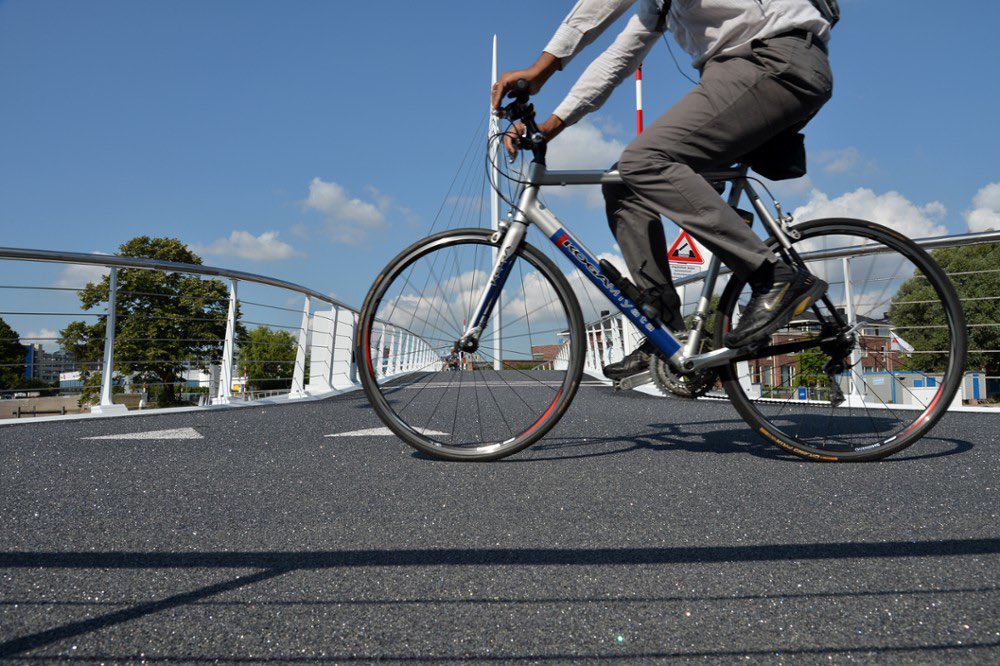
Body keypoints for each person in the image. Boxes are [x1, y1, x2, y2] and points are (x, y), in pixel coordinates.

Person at [492, 0, 833, 381]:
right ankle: (666, 328)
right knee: (624, 184)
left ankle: (771, 275)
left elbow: (597, 9)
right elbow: (616, 60)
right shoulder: (659, 6)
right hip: (738, 73)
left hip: (773, 62)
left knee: (645, 160)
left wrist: (541, 68)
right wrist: (551, 126)